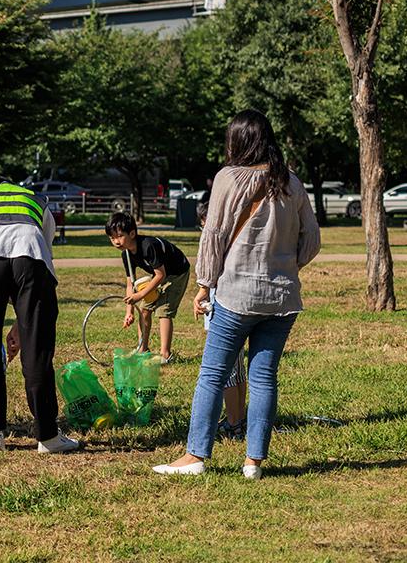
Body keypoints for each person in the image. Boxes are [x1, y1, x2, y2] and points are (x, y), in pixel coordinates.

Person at [154, 110, 320, 479]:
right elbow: (312, 238)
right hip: (282, 299)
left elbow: (212, 235)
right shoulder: (292, 182)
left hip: (237, 295)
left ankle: (195, 455)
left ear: (238, 142)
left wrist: (203, 285)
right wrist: (287, 267)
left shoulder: (228, 178)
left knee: (212, 374)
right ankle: (253, 462)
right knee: (264, 378)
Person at [0, 177, 81, 454]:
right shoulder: (36, 200)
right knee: (38, 352)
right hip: (32, 260)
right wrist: (23, 324)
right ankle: (48, 437)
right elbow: (40, 251)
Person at [104, 212, 192, 363]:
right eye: (112, 238)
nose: (116, 241)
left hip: (177, 272)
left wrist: (140, 295)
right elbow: (130, 283)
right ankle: (142, 348)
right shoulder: (126, 254)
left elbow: (160, 275)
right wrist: (129, 312)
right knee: (145, 309)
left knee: (163, 310)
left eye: (119, 236)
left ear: (132, 233)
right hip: (160, 274)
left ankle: (166, 355)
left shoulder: (148, 246)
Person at [197, 199, 247, 440]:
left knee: (227, 373)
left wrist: (204, 296)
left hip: (224, 313)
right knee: (237, 371)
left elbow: (210, 278)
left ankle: (234, 422)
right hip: (227, 308)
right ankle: (238, 419)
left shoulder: (218, 243)